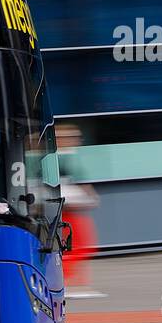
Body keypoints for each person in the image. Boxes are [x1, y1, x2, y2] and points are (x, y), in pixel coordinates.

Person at [55, 123, 104, 299]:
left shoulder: (68, 156)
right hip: (67, 211)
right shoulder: (60, 158)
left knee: (82, 246)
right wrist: (91, 197)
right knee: (75, 246)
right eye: (70, 137)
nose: (76, 140)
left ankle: (79, 283)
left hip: (72, 210)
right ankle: (69, 283)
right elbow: (78, 181)